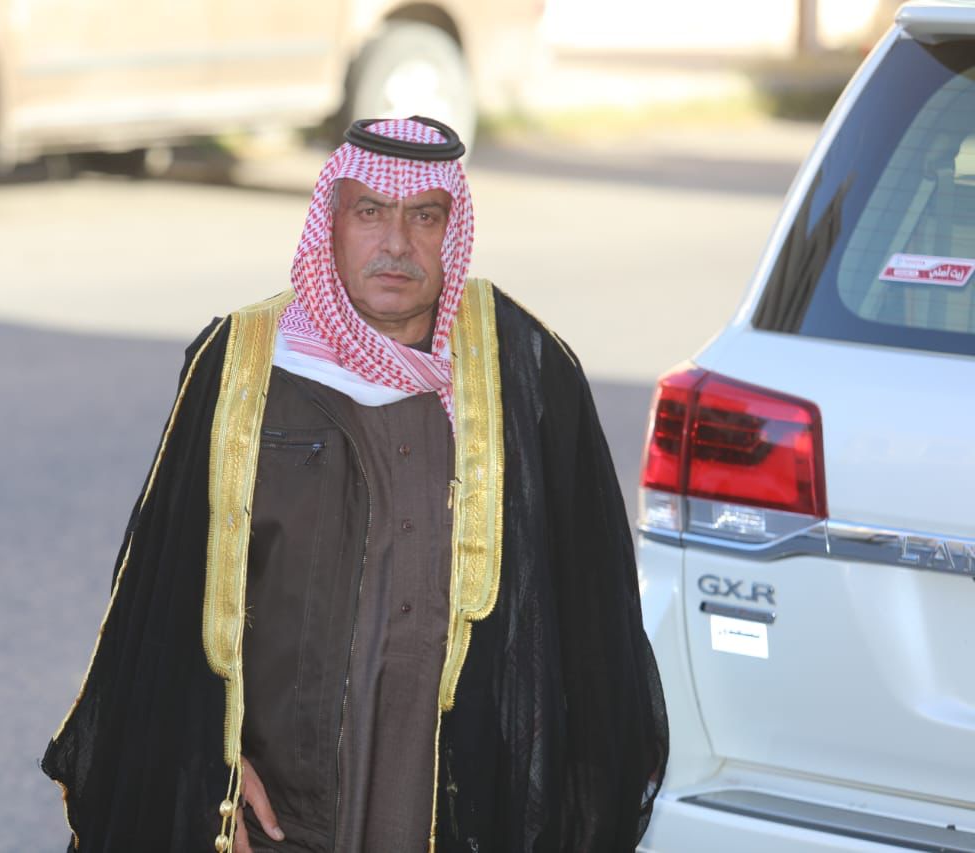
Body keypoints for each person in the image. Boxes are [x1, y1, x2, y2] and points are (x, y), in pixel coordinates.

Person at [42, 116, 667, 853]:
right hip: (279, 818)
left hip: (462, 814)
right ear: (331, 223)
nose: (396, 243)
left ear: (452, 231)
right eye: (370, 211)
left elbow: (592, 627)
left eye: (423, 217)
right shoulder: (241, 365)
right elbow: (160, 601)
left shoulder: (526, 369)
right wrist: (207, 768)